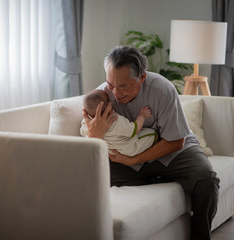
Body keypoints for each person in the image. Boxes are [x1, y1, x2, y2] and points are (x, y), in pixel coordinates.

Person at [82, 46, 219, 240]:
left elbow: (176, 141)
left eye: (124, 86)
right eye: (110, 84)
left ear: (142, 78)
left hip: (171, 149)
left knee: (207, 179)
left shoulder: (162, 89)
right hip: (126, 153)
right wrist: (94, 136)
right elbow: (91, 150)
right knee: (91, 178)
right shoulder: (102, 98)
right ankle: (153, 177)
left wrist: (132, 160)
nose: (116, 93)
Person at [80, 89, 157, 171]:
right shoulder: (115, 121)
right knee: (152, 134)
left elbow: (83, 133)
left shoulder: (85, 123)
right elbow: (134, 130)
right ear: (109, 108)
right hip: (129, 149)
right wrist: (142, 116)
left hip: (110, 152)